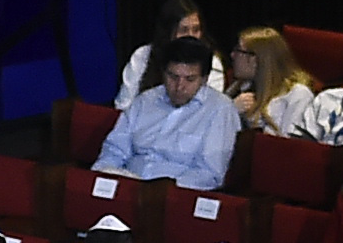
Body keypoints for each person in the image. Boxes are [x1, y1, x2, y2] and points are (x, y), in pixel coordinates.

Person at [94, 33, 237, 187]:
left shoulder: (220, 109)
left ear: (204, 79)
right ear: (163, 72)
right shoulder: (145, 100)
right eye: (173, 76)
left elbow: (209, 173)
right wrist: (101, 175)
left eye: (189, 79)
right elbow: (115, 150)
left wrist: (160, 191)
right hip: (128, 185)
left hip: (176, 196)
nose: (179, 86)